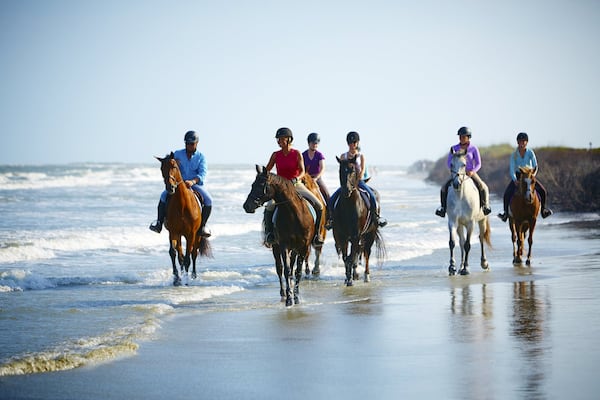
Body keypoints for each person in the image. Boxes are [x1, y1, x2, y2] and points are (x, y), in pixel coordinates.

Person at [263, 127, 325, 246]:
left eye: (281, 139)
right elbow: (267, 170)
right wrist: (262, 174)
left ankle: (317, 235)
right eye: (278, 139)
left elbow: (302, 171)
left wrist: (296, 178)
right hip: (280, 189)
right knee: (269, 206)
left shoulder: (296, 153)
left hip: (296, 185)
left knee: (319, 205)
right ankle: (269, 234)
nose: (279, 141)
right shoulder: (276, 155)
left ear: (289, 139)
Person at [149, 130, 213, 237]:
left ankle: (202, 226)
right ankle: (159, 223)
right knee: (163, 196)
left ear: (196, 143)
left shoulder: (201, 157)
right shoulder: (178, 154)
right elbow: (170, 164)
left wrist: (192, 181)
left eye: (191, 144)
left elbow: (202, 174)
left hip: (194, 185)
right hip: (178, 184)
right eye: (187, 143)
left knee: (209, 200)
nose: (189, 146)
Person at [325, 131, 387, 229]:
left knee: (372, 196)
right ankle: (331, 219)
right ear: (348, 143)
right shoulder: (343, 156)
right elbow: (341, 172)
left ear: (357, 143)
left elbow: (362, 171)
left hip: (359, 182)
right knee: (331, 200)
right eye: (350, 143)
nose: (352, 145)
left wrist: (357, 181)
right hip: (347, 184)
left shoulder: (361, 156)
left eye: (354, 142)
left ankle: (376, 218)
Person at [435, 126, 492, 217]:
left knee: (483, 186)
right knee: (443, 187)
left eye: (463, 136)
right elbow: (449, 162)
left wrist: (473, 171)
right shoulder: (454, 148)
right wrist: (454, 169)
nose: (461, 138)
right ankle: (443, 208)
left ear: (468, 137)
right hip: (457, 173)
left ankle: (485, 206)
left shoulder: (473, 148)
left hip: (470, 172)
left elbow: (478, 163)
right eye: (460, 136)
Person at [497, 132, 553, 221]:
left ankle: (543, 211)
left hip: (529, 176)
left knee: (543, 191)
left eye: (523, 142)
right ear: (517, 142)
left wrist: (532, 176)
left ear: (526, 142)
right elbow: (511, 169)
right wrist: (515, 180)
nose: (522, 144)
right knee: (507, 194)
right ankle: (505, 214)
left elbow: (535, 166)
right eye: (520, 142)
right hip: (519, 176)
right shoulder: (514, 155)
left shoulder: (530, 152)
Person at [302, 132, 330, 205]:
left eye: (316, 143)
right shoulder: (303, 155)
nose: (315, 145)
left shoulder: (319, 155)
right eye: (313, 143)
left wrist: (316, 178)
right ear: (309, 143)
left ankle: (330, 213)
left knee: (327, 194)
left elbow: (322, 168)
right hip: (305, 178)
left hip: (317, 178)